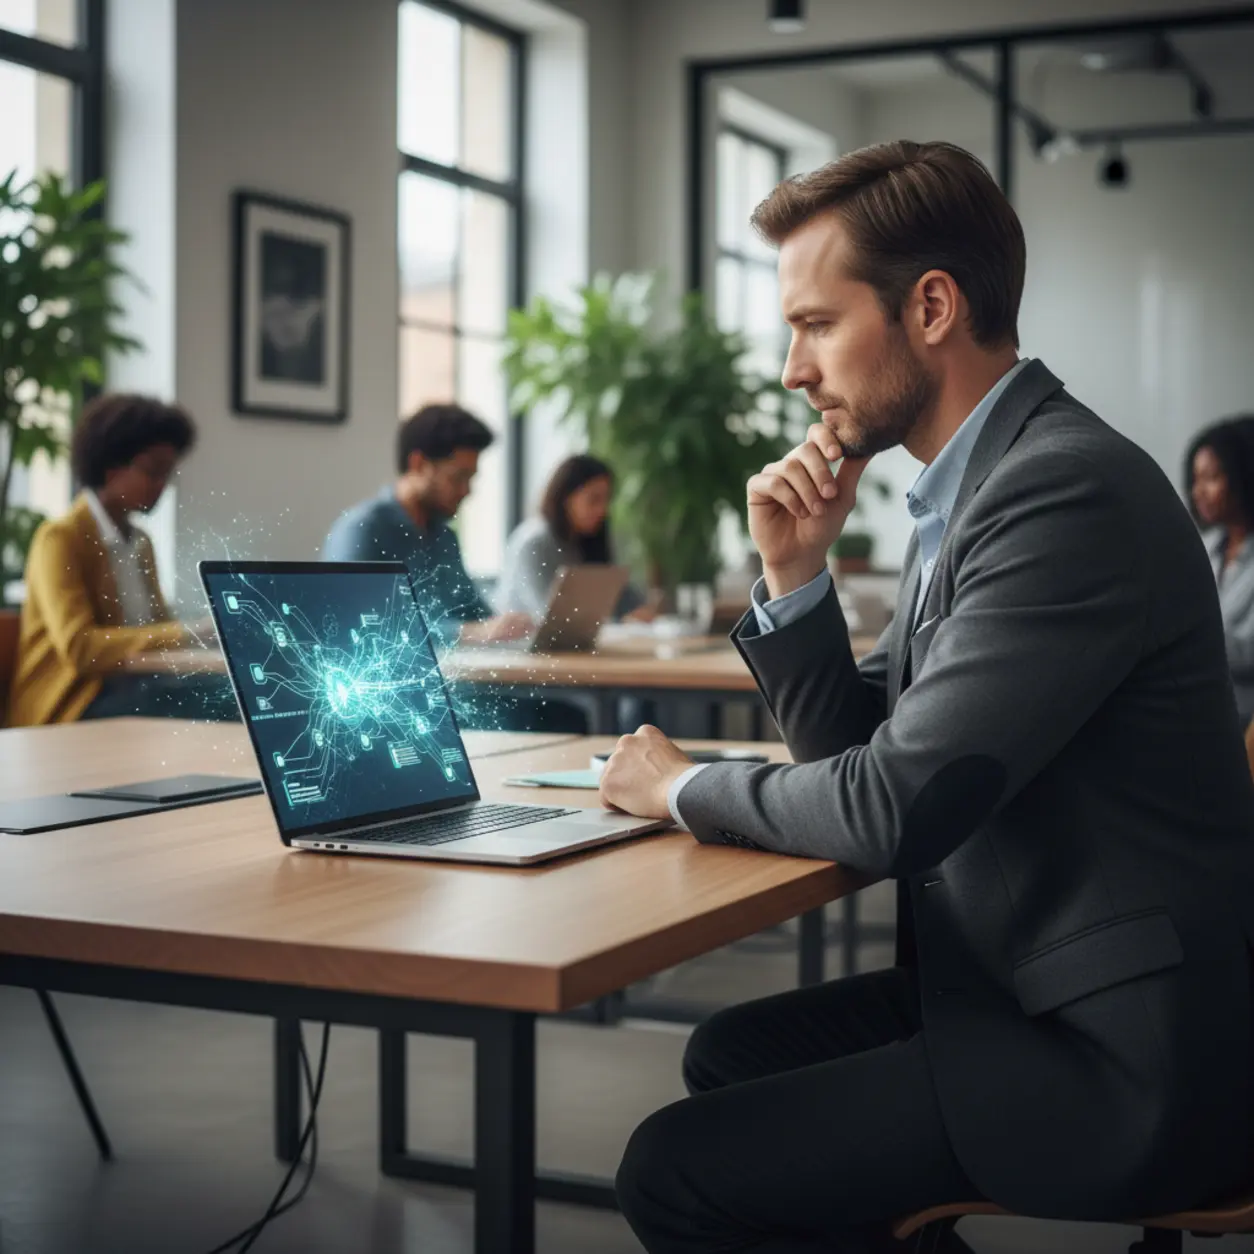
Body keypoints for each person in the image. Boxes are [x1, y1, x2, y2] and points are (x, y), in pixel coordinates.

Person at [599, 140, 1254, 1254]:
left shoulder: (1061, 491)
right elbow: (870, 748)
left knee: (673, 1169)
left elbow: (893, 810)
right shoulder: (978, 485)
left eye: (814, 324)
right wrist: (796, 578)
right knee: (727, 1057)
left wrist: (680, 788)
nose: (793, 368)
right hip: (1025, 983)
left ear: (933, 306)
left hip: (1126, 1053)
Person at [7, 393, 230, 725]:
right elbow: (80, 647)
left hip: (134, 689)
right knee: (219, 709)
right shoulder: (60, 539)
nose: (162, 485)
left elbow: (154, 631)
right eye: (154, 471)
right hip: (72, 705)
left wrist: (208, 638)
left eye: (168, 473)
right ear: (111, 468)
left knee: (231, 695)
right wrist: (188, 631)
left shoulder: (140, 543)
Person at [323, 403, 532, 649]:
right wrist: (465, 633)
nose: (467, 491)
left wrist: (508, 626)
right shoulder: (363, 530)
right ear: (419, 464)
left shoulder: (444, 537)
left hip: (462, 675)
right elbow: (354, 622)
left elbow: (475, 613)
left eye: (471, 478)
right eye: (457, 477)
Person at [496, 453, 655, 622]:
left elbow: (621, 595)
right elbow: (550, 616)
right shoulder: (534, 542)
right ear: (565, 497)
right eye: (594, 500)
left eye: (606, 500)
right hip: (522, 644)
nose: (603, 510)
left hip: (571, 644)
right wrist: (621, 619)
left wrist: (638, 610)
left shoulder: (586, 540)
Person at [1186, 415, 1254, 725]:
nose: (1198, 491)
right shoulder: (1207, 545)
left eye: (1211, 477)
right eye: (1195, 479)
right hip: (1205, 714)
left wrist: (1186, 630)